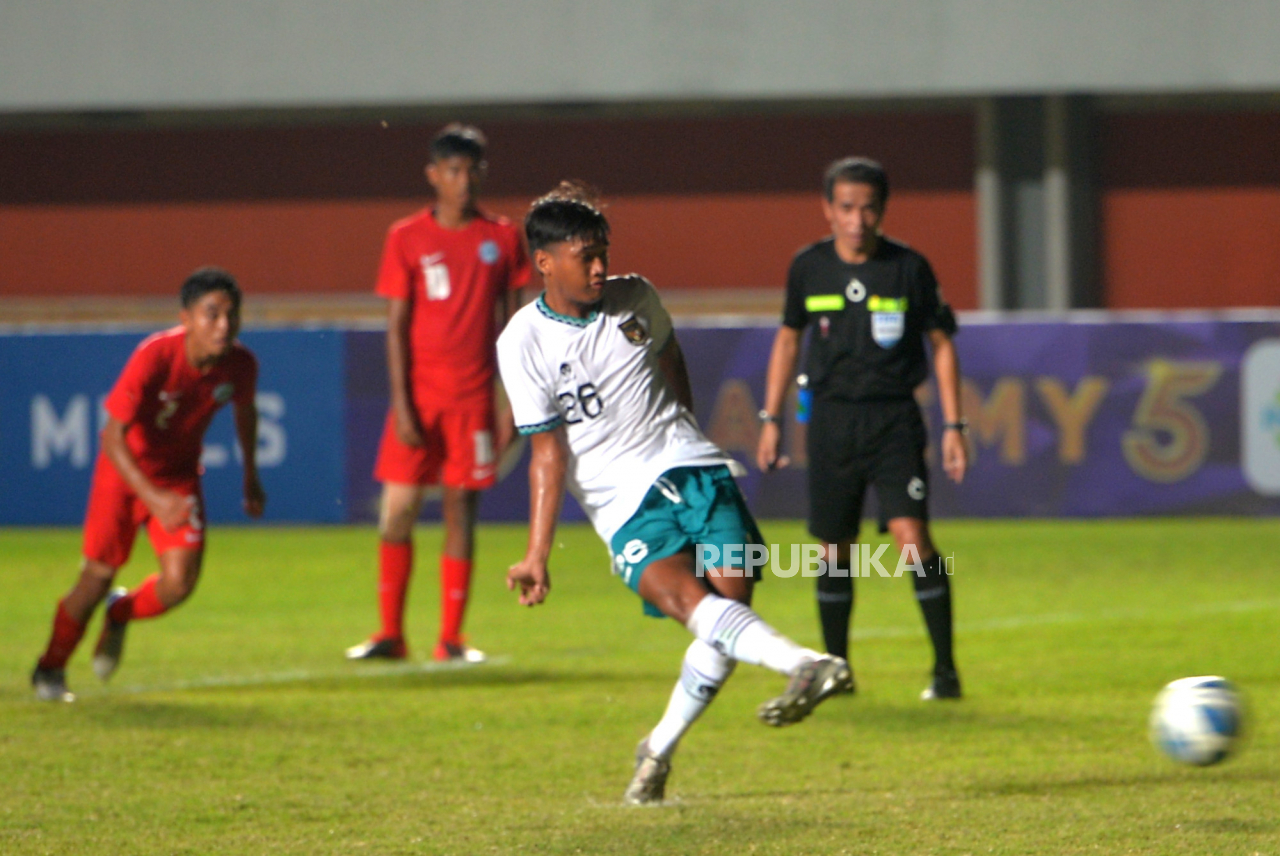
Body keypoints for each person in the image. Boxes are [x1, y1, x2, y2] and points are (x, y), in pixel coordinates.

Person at [498, 183, 852, 805]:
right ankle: (803, 662)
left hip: (698, 474)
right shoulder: (522, 341)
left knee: (727, 612)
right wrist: (537, 554)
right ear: (544, 262)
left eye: (604, 251)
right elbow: (546, 454)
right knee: (693, 603)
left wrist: (686, 429)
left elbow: (671, 355)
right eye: (586, 255)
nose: (602, 266)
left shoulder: (636, 297)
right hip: (625, 507)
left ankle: (657, 750)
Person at [756, 157, 968, 701]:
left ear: (882, 210)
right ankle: (838, 671)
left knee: (911, 537)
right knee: (834, 549)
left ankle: (945, 672)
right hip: (829, 420)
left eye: (868, 207)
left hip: (894, 418)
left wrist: (954, 424)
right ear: (828, 210)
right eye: (846, 207)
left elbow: (941, 344)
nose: (857, 219)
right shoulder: (809, 267)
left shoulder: (909, 268)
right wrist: (771, 419)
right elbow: (787, 340)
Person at [31, 267, 265, 702]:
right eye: (211, 314)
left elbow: (245, 411)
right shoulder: (155, 356)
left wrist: (251, 474)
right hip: (123, 474)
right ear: (187, 317)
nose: (223, 325)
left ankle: (119, 613)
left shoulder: (241, 363)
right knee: (95, 579)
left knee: (179, 584)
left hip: (177, 477)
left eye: (232, 315)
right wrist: (153, 498)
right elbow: (111, 436)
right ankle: (50, 668)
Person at [346, 123, 532, 664]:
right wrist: (402, 405)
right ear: (433, 176)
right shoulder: (405, 237)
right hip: (419, 401)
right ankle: (390, 634)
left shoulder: (500, 238)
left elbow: (515, 328)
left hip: (474, 401)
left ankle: (450, 639)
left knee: (460, 513)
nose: (464, 180)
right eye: (453, 170)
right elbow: (396, 326)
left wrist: (509, 403)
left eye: (473, 170)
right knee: (397, 512)